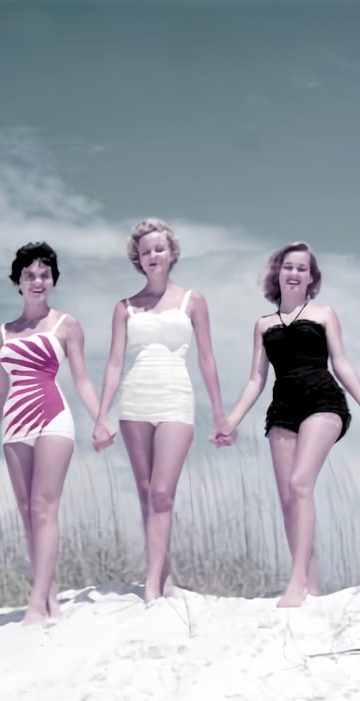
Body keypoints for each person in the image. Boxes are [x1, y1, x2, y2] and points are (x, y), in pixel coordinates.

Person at [219, 242, 360, 607]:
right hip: (282, 407)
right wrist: (230, 421)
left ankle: (296, 581)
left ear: (311, 277)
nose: (294, 273)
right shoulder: (263, 324)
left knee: (302, 483)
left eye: (302, 268)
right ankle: (312, 584)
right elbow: (255, 379)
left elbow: (342, 363)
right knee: (289, 498)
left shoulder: (324, 314)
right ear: (278, 273)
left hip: (323, 399)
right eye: (289, 267)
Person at [92, 219, 228, 604]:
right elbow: (115, 363)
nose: (153, 255)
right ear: (138, 258)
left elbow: (206, 358)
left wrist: (219, 413)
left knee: (163, 493)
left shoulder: (192, 300)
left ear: (171, 255)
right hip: (134, 400)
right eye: (146, 250)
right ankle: (161, 575)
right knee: (145, 492)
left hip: (175, 399)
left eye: (159, 249)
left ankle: (152, 586)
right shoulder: (124, 308)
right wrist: (102, 415)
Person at [0, 241, 104, 626]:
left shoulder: (66, 324)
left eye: (44, 275)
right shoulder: (3, 332)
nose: (37, 281)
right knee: (25, 513)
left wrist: (101, 418)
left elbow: (82, 380)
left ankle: (36, 604)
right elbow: (0, 388)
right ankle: (47, 594)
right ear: (18, 281)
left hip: (53, 419)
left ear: (52, 280)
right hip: (15, 424)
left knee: (43, 508)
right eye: (29, 275)